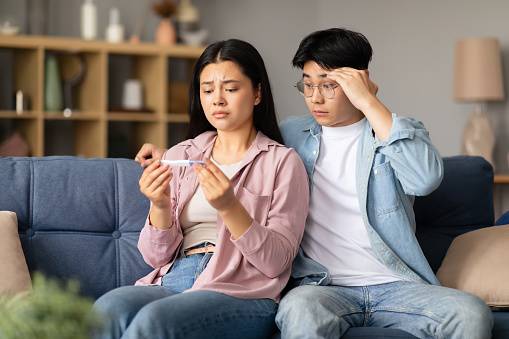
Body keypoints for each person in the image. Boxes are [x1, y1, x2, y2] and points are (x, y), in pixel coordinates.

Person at [135, 28, 494, 338]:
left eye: (329, 85)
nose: (315, 98)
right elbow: (235, 145)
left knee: (470, 312)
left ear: (360, 81)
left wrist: (369, 101)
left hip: (397, 285)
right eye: (307, 85)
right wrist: (170, 155)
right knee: (299, 313)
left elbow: (425, 178)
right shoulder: (294, 134)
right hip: (321, 287)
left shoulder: (393, 133)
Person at [93, 38, 309, 339]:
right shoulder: (182, 155)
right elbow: (155, 258)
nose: (217, 99)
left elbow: (276, 263)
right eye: (207, 90)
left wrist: (229, 206)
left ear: (257, 93)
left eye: (230, 89)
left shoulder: (283, 163)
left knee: (156, 322)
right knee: (106, 310)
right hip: (175, 278)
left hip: (242, 291)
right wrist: (160, 205)